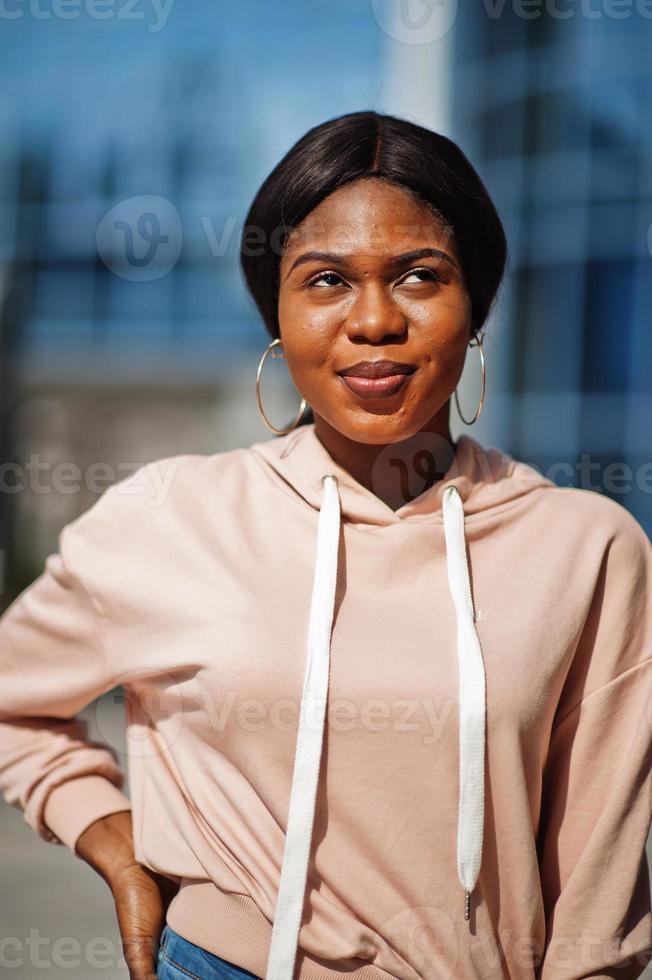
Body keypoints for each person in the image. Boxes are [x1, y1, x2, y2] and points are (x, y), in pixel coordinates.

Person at [0, 110, 650, 980]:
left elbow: (600, 889)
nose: (374, 320)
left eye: (420, 276)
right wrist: (106, 833)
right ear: (278, 312)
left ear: (477, 306)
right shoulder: (168, 515)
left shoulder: (588, 548)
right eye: (326, 281)